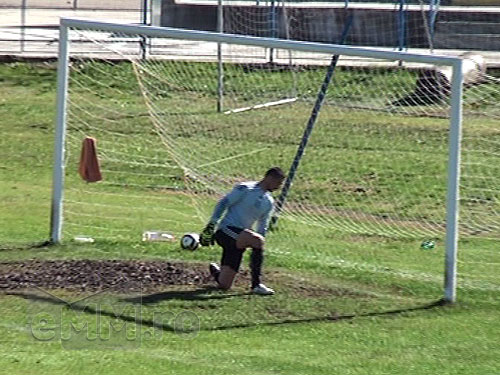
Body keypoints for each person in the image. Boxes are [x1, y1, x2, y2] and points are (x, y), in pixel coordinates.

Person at [199, 167, 286, 295]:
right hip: (226, 231)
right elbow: (224, 203)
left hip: (241, 238)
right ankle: (256, 285)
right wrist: (212, 224)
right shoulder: (246, 188)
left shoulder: (269, 202)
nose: (279, 187)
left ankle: (217, 272)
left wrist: (260, 240)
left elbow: (263, 225)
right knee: (257, 241)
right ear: (269, 178)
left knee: (225, 284)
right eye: (278, 183)